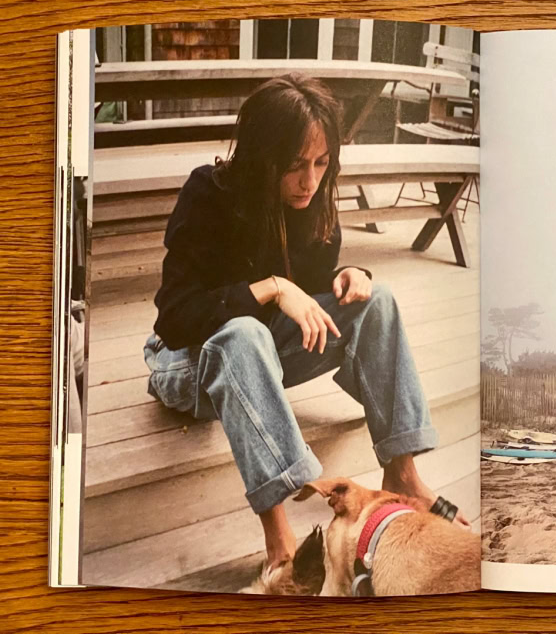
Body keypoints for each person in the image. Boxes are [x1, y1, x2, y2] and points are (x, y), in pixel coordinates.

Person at [142, 74, 464, 573]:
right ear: (260, 156)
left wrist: (346, 276)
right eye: (294, 165)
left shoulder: (313, 202)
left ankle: (402, 475)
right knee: (244, 331)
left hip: (262, 359)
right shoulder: (208, 192)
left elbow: (310, 289)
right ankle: (279, 534)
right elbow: (175, 316)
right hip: (186, 362)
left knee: (376, 299)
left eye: (320, 163)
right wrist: (271, 288)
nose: (309, 181)